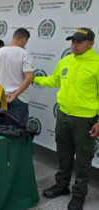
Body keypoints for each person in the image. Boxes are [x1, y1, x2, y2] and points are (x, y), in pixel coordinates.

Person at [34, 28, 99, 210]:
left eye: (79, 42)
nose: (74, 45)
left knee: (83, 159)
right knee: (63, 153)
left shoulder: (97, 64)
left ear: (91, 43)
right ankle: (62, 186)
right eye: (73, 41)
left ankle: (79, 193)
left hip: (85, 119)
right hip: (63, 115)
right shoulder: (65, 61)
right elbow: (54, 81)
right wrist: (34, 79)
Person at [0, 28, 34, 126]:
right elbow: (29, 78)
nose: (25, 44)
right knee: (17, 132)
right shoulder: (25, 53)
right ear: (23, 39)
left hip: (1, 97)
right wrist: (14, 95)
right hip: (19, 98)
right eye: (26, 42)